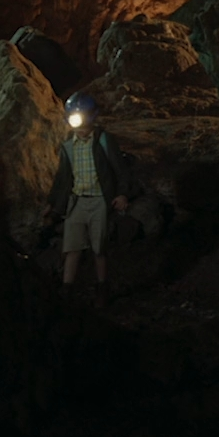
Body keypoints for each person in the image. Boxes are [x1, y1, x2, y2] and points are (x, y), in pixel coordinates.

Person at [44, 92, 132, 306]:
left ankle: (102, 287)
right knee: (72, 247)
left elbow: (119, 170)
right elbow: (63, 178)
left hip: (99, 201)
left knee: (99, 248)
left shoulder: (103, 140)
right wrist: (52, 204)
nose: (81, 129)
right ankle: (67, 290)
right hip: (77, 201)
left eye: (84, 123)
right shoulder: (69, 146)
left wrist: (122, 194)